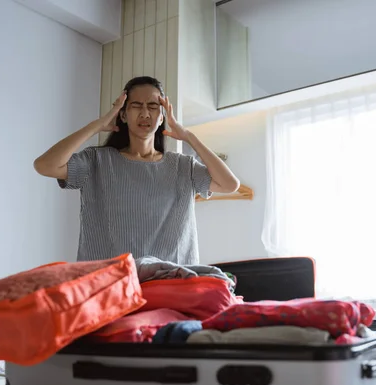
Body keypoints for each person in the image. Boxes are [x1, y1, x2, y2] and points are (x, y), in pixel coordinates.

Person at [33, 76, 240, 264]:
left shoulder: (183, 167)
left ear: (162, 117)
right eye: (136, 106)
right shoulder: (97, 161)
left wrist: (189, 136)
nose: (144, 113)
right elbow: (45, 165)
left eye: (152, 106)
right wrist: (97, 125)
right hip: (108, 286)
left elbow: (230, 184)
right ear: (122, 114)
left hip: (170, 286)